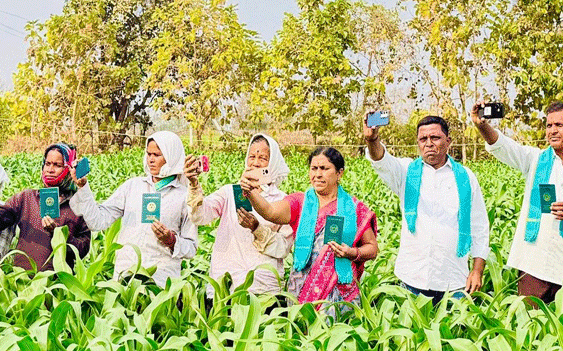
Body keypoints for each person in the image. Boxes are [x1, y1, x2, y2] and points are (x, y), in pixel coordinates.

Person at [472, 101, 563, 304]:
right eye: (549, 125)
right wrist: (482, 125)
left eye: (559, 125)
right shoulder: (535, 159)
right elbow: (503, 147)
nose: (552, 131)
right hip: (533, 265)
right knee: (530, 327)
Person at [365, 114, 490, 301]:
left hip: (454, 279)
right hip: (412, 278)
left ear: (448, 141)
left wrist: (477, 271)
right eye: (423, 139)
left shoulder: (466, 177)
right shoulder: (406, 172)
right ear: (418, 143)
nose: (429, 143)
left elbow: (479, 227)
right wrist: (372, 139)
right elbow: (381, 160)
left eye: (435, 138)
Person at [242, 146, 379, 310]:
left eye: (324, 168)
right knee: (301, 331)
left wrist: (352, 253)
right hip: (301, 291)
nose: (318, 174)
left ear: (339, 173)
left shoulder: (355, 209)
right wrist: (250, 192)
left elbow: (372, 248)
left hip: (339, 294)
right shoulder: (300, 202)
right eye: (314, 169)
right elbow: (270, 212)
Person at [71, 131, 198, 286]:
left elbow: (191, 248)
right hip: (125, 277)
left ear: (171, 157)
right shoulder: (133, 187)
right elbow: (98, 222)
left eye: (156, 155)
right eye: (148, 154)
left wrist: (171, 241)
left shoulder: (184, 196)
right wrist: (83, 187)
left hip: (160, 283)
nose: (150, 159)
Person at [189, 133, 293, 295]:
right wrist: (194, 184)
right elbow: (199, 216)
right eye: (252, 156)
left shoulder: (282, 200)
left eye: (263, 158)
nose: (255, 163)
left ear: (272, 163)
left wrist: (256, 228)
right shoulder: (229, 192)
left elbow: (283, 248)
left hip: (262, 287)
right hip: (226, 283)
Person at [0, 142, 91, 274]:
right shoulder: (26, 198)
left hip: (59, 287)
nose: (50, 169)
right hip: (23, 284)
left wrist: (58, 234)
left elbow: (82, 250)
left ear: (69, 169)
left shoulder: (79, 205)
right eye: (47, 164)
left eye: (57, 165)